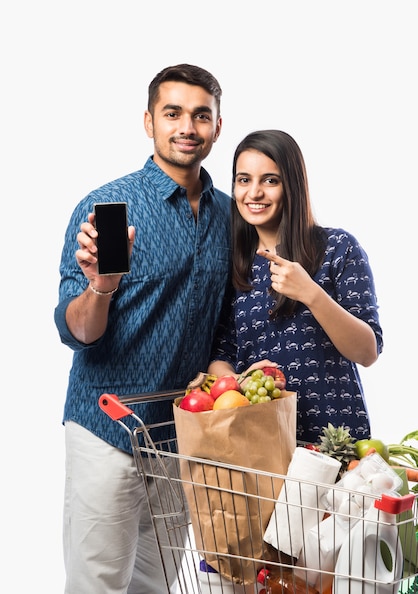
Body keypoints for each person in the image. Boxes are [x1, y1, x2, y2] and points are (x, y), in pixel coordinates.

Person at [54, 63, 231, 594]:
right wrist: (102, 286)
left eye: (201, 115)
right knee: (97, 585)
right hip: (107, 427)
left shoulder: (230, 216)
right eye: (172, 113)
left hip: (178, 437)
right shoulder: (108, 208)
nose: (187, 127)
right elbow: (77, 332)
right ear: (149, 121)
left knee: (156, 586)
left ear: (217, 127)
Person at [208, 129, 383, 444]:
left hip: (335, 439)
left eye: (270, 180)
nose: (254, 193)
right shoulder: (235, 264)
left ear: (292, 185)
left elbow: (367, 351)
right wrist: (236, 381)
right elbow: (222, 353)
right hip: (262, 439)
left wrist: (311, 294)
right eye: (244, 180)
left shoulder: (337, 248)